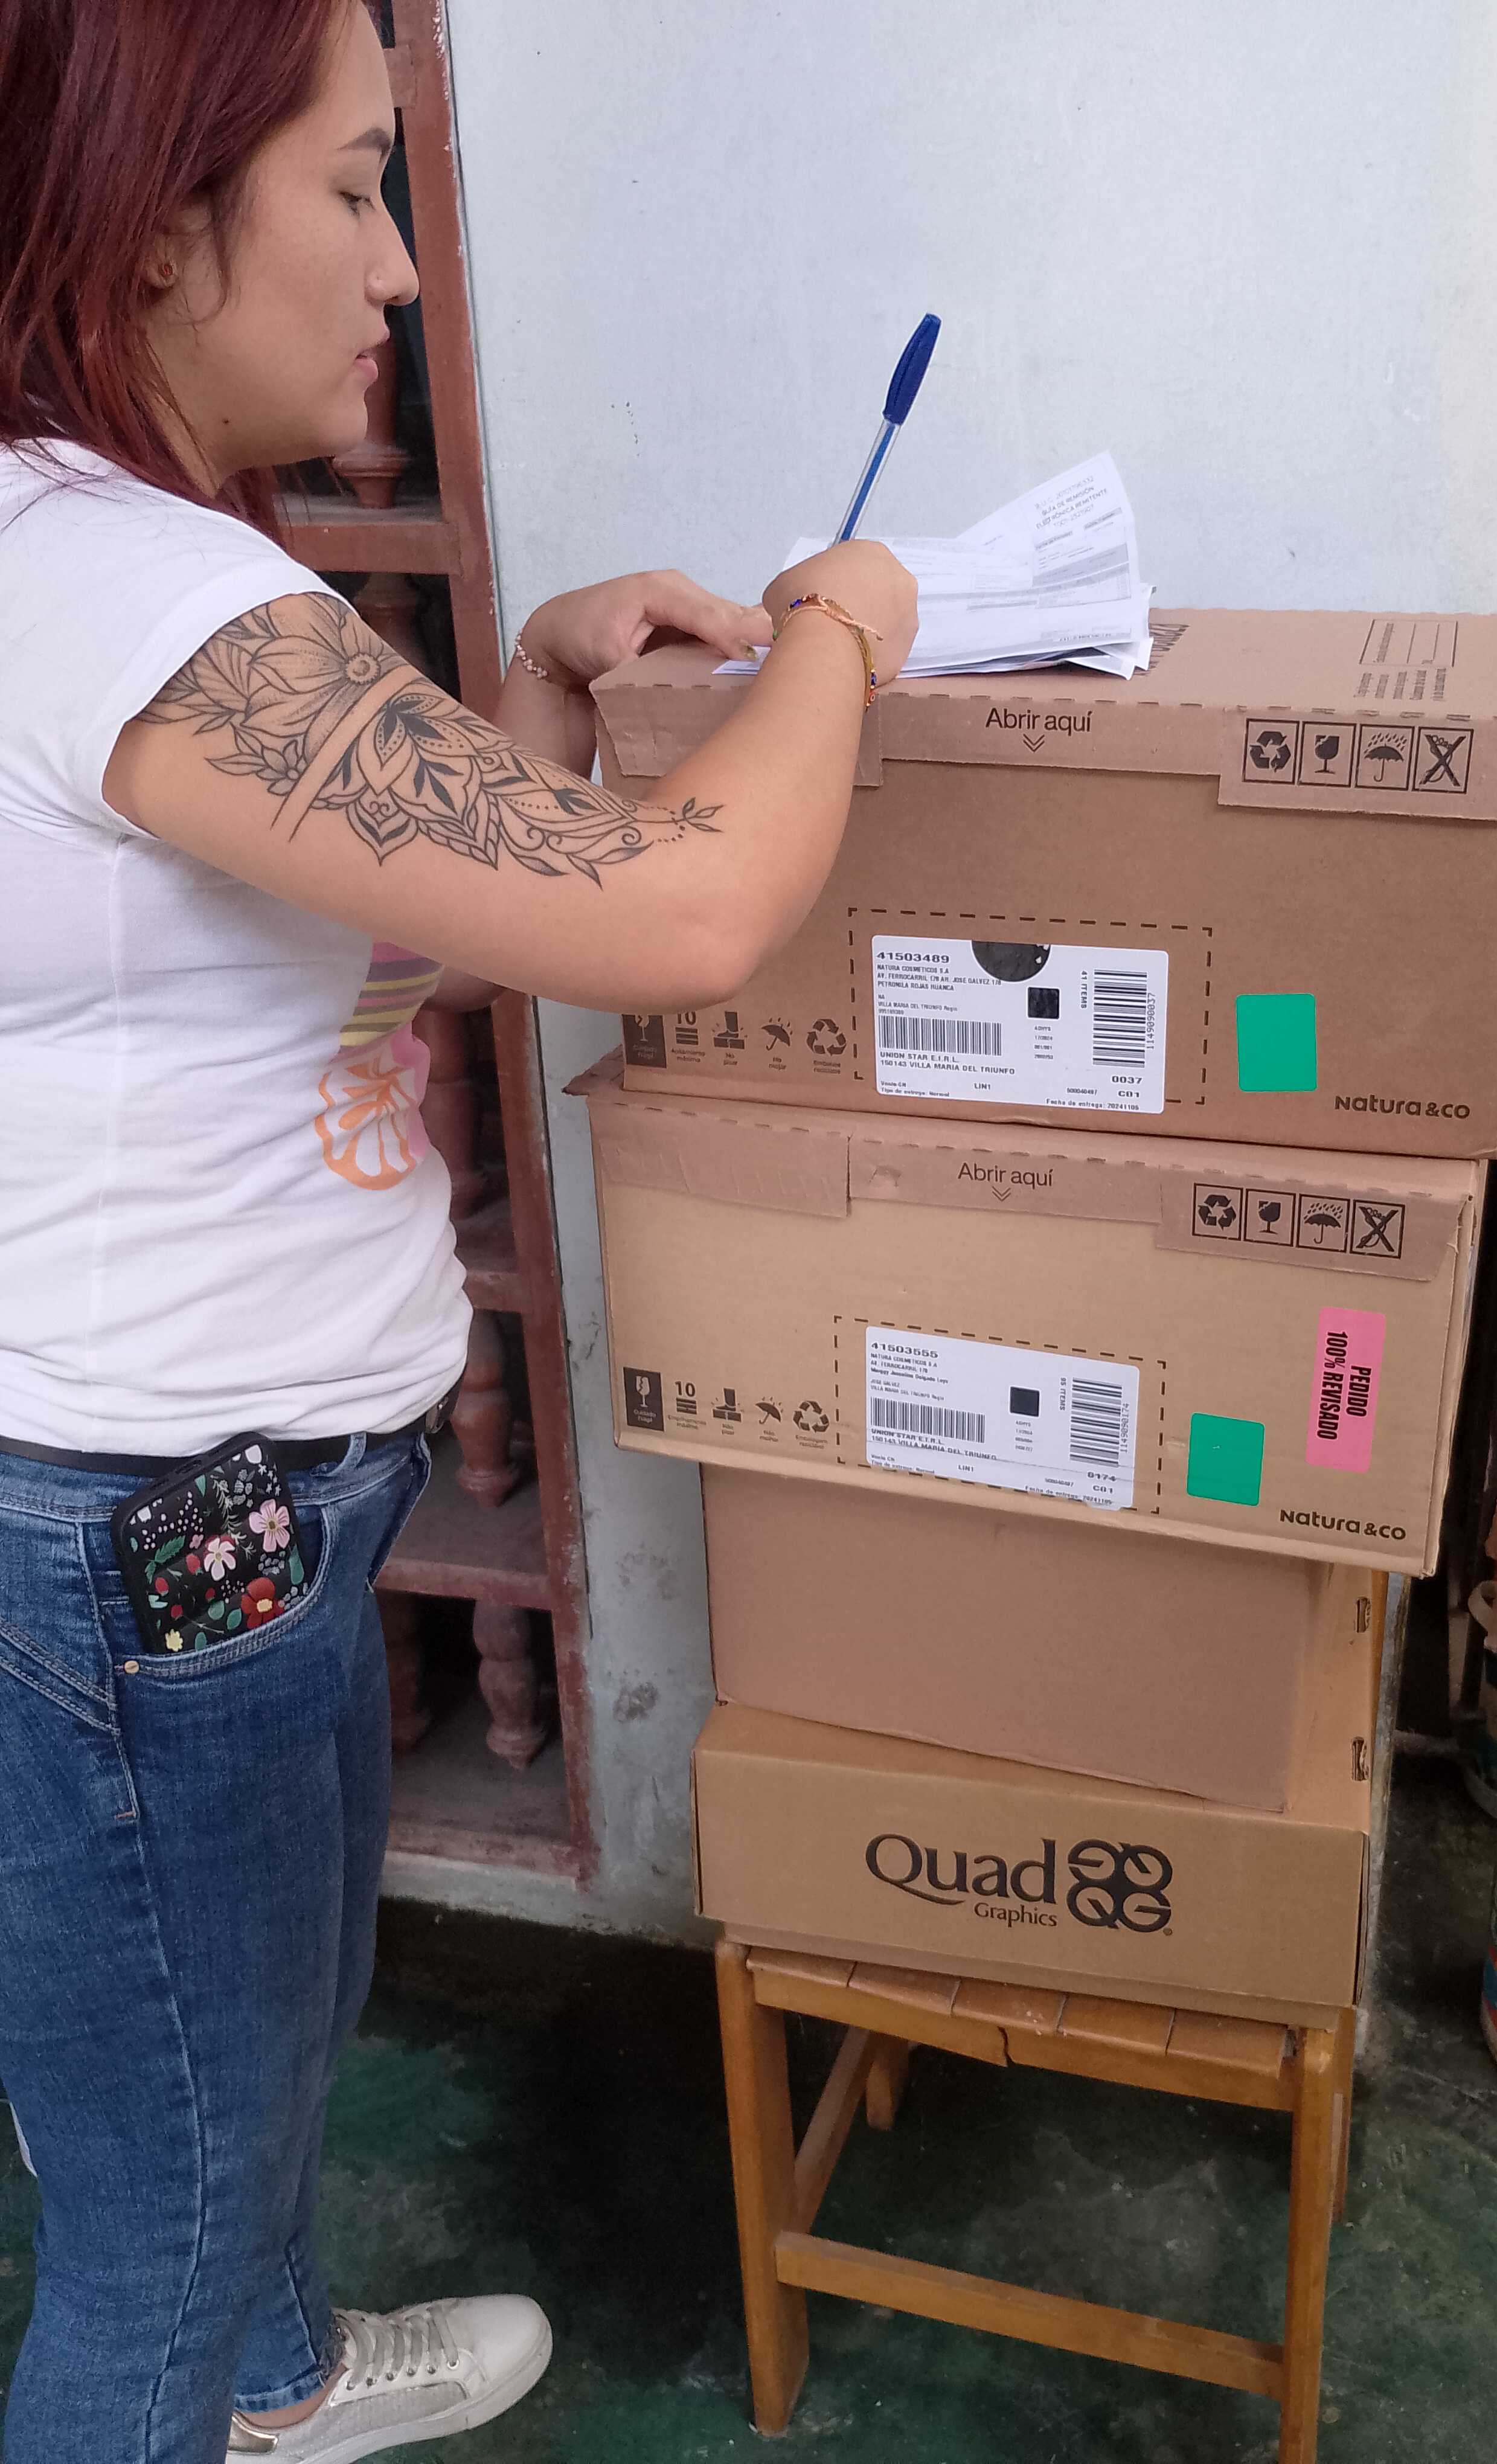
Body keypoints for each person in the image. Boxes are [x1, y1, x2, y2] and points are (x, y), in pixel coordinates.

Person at [0, 1, 917, 2458]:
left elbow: (392, 936)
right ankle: (222, 2374)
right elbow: (682, 914)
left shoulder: (113, 566)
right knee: (162, 2210)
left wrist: (517, 694)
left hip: (226, 1520)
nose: (399, 268)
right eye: (350, 187)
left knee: (259, 2052)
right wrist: (845, 630)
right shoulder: (128, 594)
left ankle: (279, 2383)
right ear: (152, 218)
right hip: (147, 1541)